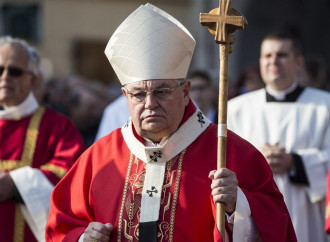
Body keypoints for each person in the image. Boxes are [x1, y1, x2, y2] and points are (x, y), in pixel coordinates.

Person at [45, 4, 296, 242]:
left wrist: (237, 205)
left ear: (186, 91)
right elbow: (61, 226)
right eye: (139, 94)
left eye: (162, 92)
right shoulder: (99, 159)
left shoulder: (232, 154)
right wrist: (84, 237)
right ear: (125, 97)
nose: (150, 103)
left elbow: (277, 226)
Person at [227, 32, 330, 242]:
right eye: (267, 55)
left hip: (307, 212)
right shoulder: (236, 109)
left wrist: (297, 162)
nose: (273, 61)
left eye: (281, 55)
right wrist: (256, 161)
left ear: (299, 62)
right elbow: (224, 161)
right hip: (256, 213)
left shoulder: (325, 106)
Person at [0, 36, 86, 242]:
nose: (4, 77)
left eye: (15, 71)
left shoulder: (57, 126)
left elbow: (73, 176)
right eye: (0, 70)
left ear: (34, 79)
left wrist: (16, 183)